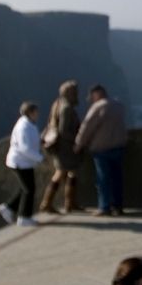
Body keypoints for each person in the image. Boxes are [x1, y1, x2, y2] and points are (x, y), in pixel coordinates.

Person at [74, 84, 128, 216]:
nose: (91, 99)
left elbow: (86, 128)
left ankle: (104, 207)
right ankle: (118, 206)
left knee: (103, 179)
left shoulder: (98, 107)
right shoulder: (118, 105)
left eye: (92, 96)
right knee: (117, 179)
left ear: (96, 94)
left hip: (102, 149)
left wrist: (78, 144)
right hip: (119, 147)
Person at [41, 79, 84, 215]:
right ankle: (47, 203)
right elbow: (64, 131)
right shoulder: (66, 108)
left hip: (61, 148)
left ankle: (69, 203)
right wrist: (77, 140)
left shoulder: (57, 104)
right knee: (61, 173)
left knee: (69, 173)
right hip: (66, 148)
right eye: (75, 91)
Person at [0, 101, 45, 227]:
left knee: (25, 188)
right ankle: (24, 217)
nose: (38, 114)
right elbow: (25, 148)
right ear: (30, 112)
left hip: (25, 162)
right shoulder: (23, 127)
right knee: (29, 189)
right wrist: (40, 158)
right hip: (19, 162)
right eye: (36, 112)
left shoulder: (29, 124)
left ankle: (8, 208)